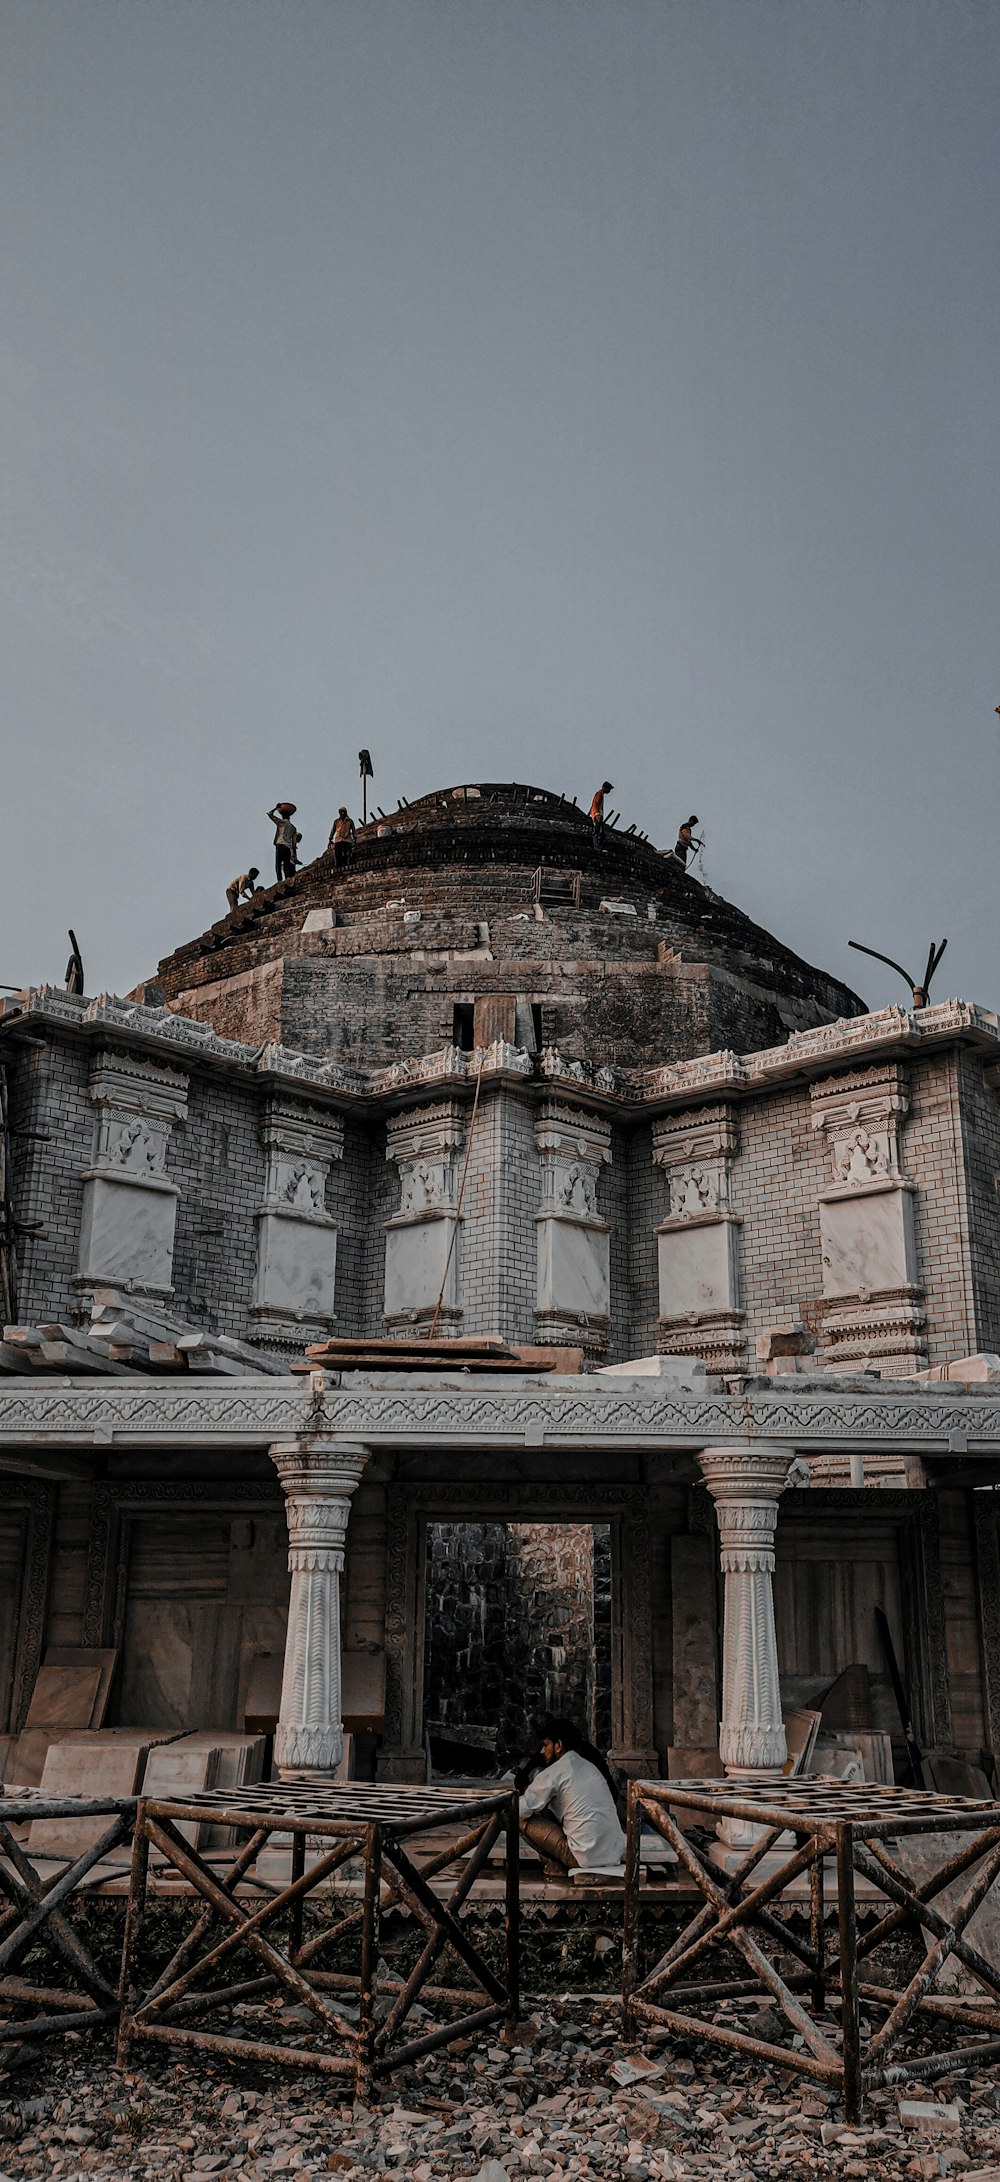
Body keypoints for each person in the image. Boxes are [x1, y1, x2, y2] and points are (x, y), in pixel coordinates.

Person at [516, 1715, 625, 1876]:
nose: (542, 1751)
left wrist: (494, 1811)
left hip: (584, 1858)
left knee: (519, 1820)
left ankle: (557, 1865)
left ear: (558, 1745)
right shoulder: (589, 1767)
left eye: (546, 1745)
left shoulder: (555, 1771)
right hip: (614, 1855)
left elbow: (520, 1809)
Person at [268, 805, 301, 883]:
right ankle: (287, 880)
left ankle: (279, 880)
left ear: (282, 816)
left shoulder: (281, 822)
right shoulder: (293, 828)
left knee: (278, 864)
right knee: (286, 865)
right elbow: (294, 844)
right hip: (288, 848)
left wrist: (276, 808)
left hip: (280, 845)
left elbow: (270, 814)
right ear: (289, 816)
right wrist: (295, 857)